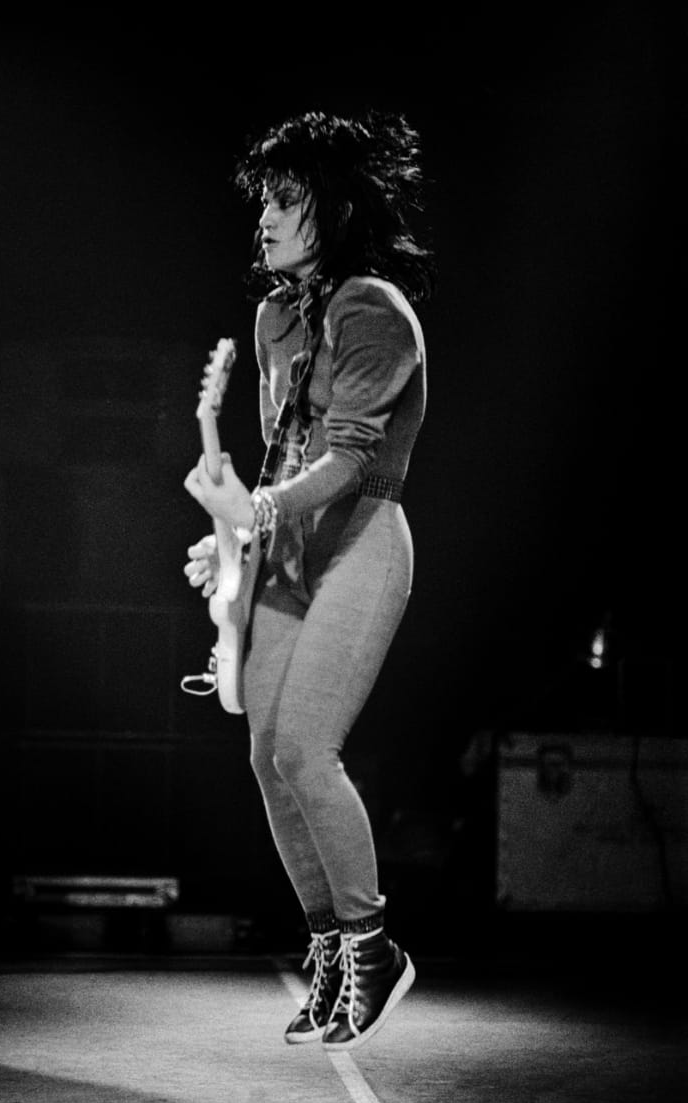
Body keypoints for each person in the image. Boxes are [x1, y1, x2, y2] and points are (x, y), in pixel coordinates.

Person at [183, 111, 434, 1051]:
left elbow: (344, 458)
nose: (265, 217)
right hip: (288, 550)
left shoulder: (373, 309)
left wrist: (259, 516)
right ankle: (328, 945)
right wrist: (235, 541)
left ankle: (375, 946)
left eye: (285, 200)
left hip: (363, 537)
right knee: (265, 754)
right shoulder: (274, 316)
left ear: (336, 205)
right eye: (263, 200)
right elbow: (279, 452)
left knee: (305, 746)